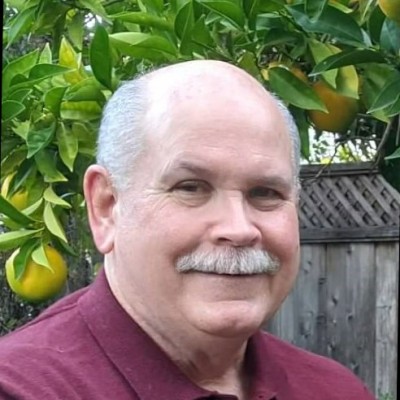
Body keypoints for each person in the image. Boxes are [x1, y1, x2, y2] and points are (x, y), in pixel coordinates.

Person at [0, 60, 374, 400]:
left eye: (265, 193)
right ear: (107, 207)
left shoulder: (336, 390)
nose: (239, 229)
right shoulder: (23, 388)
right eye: (191, 188)